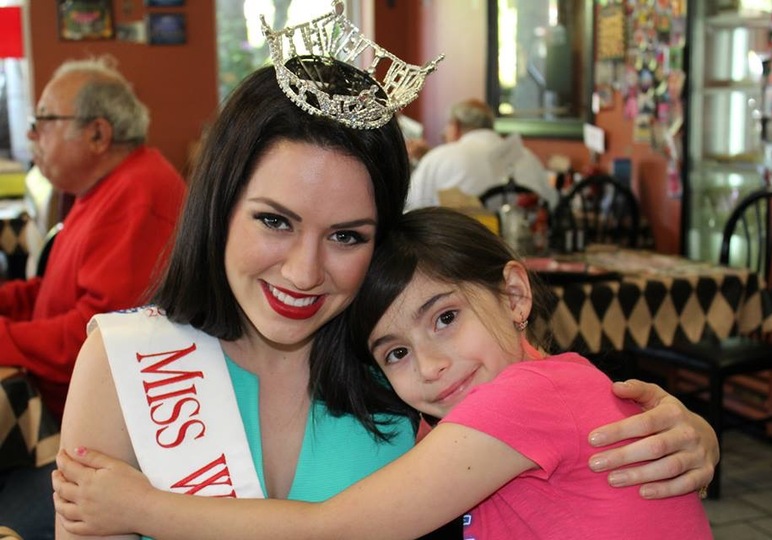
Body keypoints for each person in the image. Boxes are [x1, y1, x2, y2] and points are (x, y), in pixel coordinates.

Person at [54, 5, 717, 539]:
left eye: (346, 235)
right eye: (274, 221)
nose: (303, 271)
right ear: (219, 206)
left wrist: (684, 432)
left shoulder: (406, 368)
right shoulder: (129, 362)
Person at [52, 207, 713, 539]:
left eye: (446, 318)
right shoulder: (485, 414)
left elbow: (325, 529)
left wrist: (142, 507)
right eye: (394, 351)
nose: (430, 366)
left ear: (516, 294)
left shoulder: (519, 400)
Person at [0, 56, 186, 538]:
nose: (32, 134)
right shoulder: (100, 188)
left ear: (98, 135)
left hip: (97, 448)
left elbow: (92, 335)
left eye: (43, 121)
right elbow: (57, 292)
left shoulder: (138, 197)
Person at [405, 98, 559, 211]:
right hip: (522, 250)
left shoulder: (438, 158)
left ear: (456, 125)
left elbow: (411, 210)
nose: (444, 133)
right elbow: (552, 203)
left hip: (458, 250)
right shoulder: (526, 155)